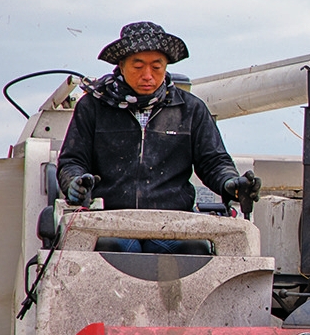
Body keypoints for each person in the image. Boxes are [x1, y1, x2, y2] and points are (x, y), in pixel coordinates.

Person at [57, 21, 258, 251]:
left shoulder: (191, 109)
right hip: (110, 222)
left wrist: (230, 183)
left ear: (166, 66)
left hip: (173, 224)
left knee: (194, 250)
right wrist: (74, 182)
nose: (147, 75)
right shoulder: (92, 107)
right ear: (121, 65)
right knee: (115, 248)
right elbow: (72, 161)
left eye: (156, 66)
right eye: (138, 66)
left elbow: (214, 162)